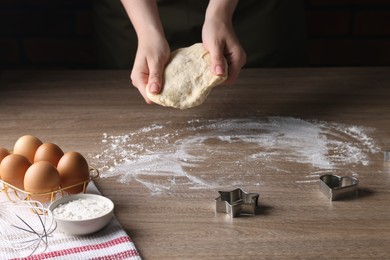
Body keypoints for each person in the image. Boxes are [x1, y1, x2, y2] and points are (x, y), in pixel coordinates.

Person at [93, 0, 307, 104]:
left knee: (271, 92)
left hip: (250, 11)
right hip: (139, 8)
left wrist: (220, 12)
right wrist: (147, 30)